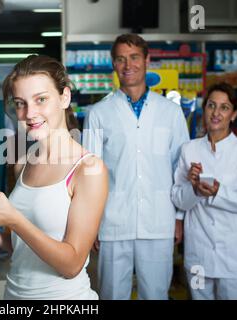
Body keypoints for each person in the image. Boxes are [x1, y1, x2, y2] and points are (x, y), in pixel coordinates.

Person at [0, 55, 109, 300]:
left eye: (41, 99)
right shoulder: (23, 162)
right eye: (20, 103)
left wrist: (13, 218)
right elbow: (21, 246)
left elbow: (71, 265)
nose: (30, 113)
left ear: (64, 97)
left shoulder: (88, 169)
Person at [83, 34, 190, 300]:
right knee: (110, 294)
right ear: (114, 65)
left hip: (159, 220)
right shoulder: (98, 113)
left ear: (147, 60)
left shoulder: (171, 112)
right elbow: (89, 174)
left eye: (133, 57)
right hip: (113, 221)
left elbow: (181, 168)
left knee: (155, 295)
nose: (127, 65)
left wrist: (179, 218)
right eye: (120, 59)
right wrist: (92, 223)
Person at [171, 82, 237, 300]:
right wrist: (193, 189)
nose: (216, 113)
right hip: (198, 257)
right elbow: (177, 198)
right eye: (211, 105)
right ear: (204, 109)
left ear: (233, 115)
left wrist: (217, 192)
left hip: (235, 258)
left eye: (224, 108)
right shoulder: (189, 149)